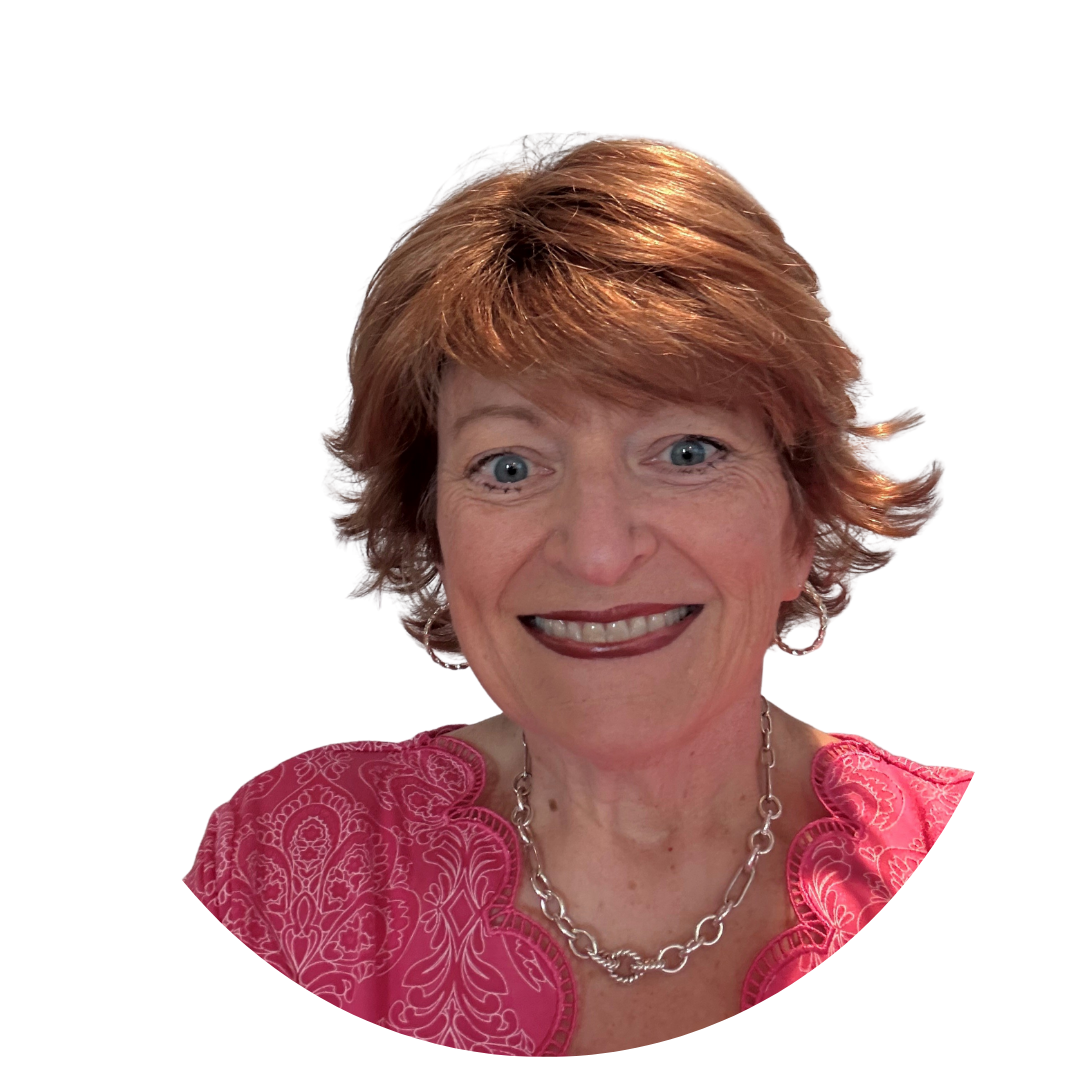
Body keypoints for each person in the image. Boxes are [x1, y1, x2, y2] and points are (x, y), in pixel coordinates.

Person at [184, 138, 972, 1055]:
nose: (598, 554)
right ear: (431, 527)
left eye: (686, 452)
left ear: (802, 519)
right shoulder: (289, 865)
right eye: (509, 467)